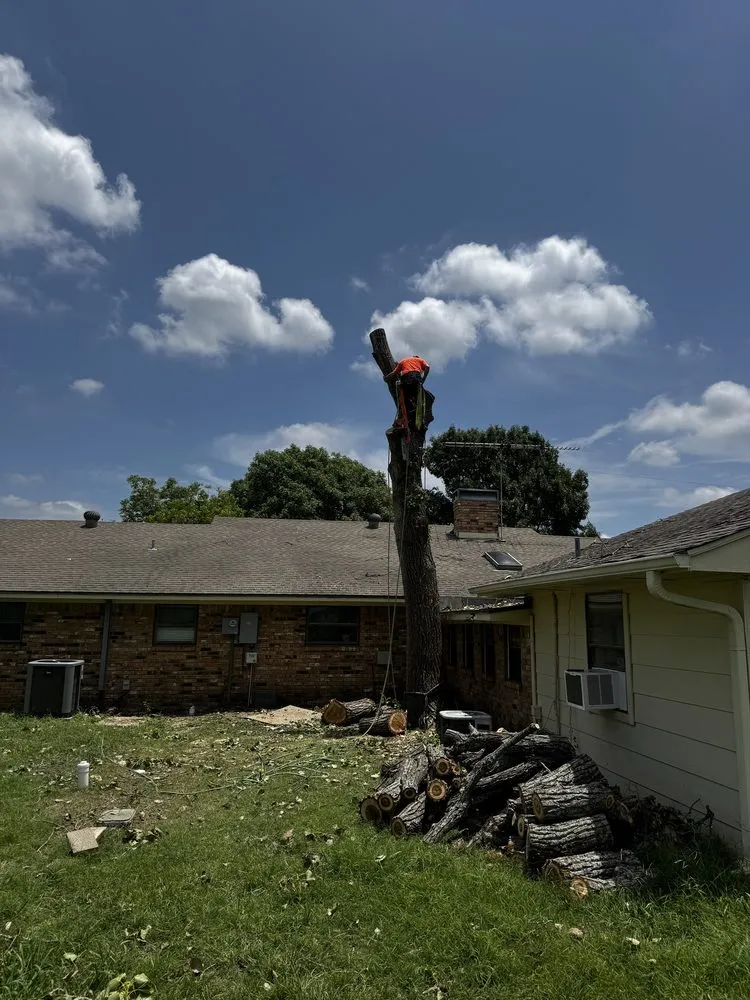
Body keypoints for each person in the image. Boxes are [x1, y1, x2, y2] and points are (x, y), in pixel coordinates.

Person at [385, 355, 430, 430]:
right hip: (416, 378)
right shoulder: (420, 360)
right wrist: (423, 379)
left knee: (405, 401)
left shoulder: (403, 361)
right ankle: (413, 420)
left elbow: (394, 373)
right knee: (417, 400)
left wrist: (386, 378)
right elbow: (427, 367)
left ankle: (403, 419)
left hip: (406, 378)